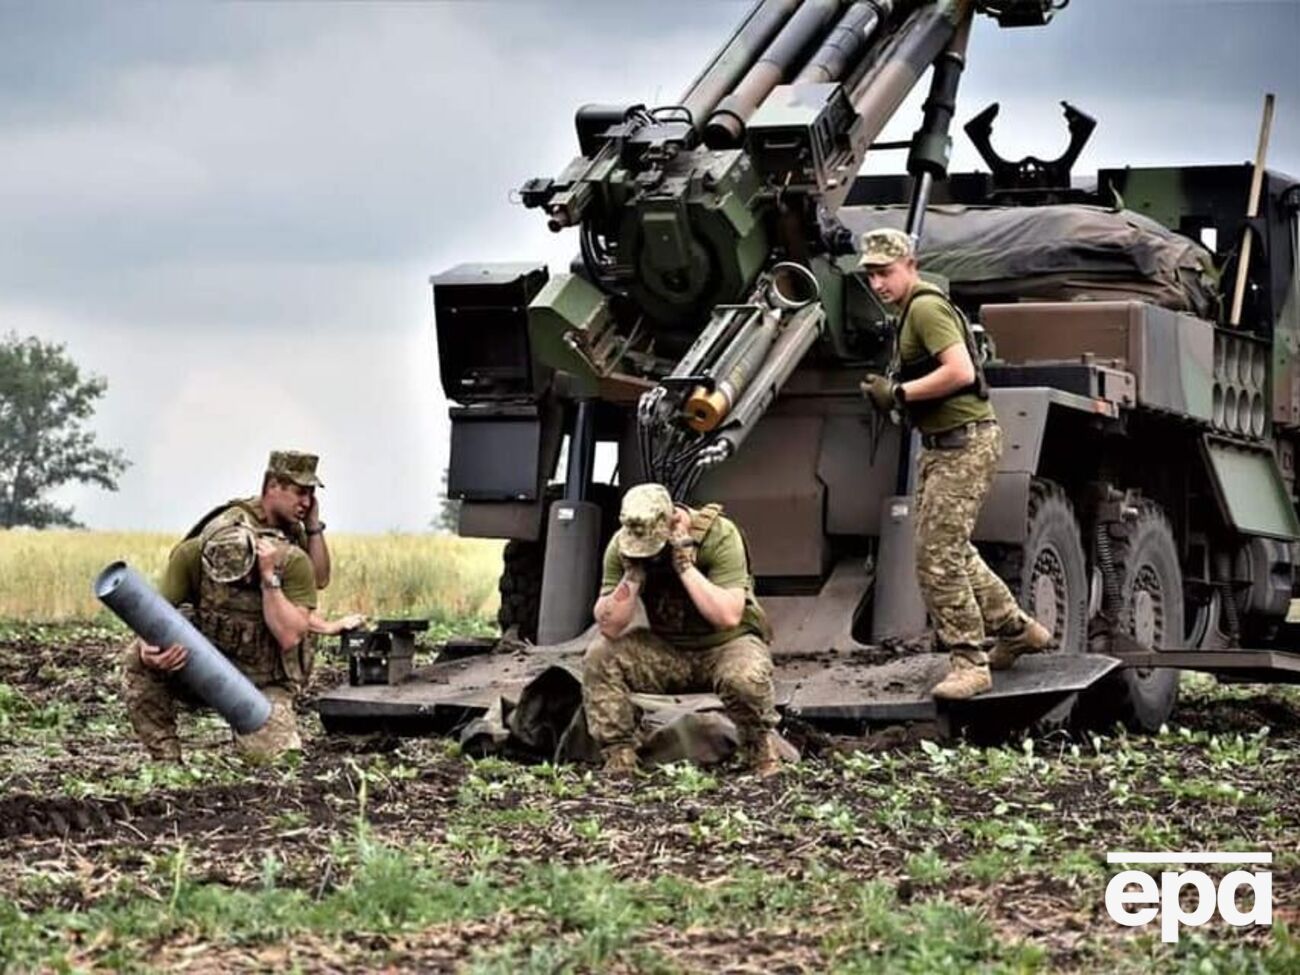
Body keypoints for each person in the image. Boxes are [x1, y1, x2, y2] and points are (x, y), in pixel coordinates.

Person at [857, 228, 1052, 700]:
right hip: (944, 446)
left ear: (911, 265)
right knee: (952, 549)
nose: (878, 284)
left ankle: (969, 662)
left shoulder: (925, 308)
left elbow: (960, 371)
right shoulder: (909, 313)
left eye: (886, 273)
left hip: (964, 445)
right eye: (871, 276)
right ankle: (1016, 629)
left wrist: (900, 393)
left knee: (937, 559)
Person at [121, 450, 345, 762]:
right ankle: (166, 762)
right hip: (206, 668)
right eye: (299, 491)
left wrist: (270, 577)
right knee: (137, 658)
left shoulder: (291, 554)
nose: (306, 502)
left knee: (276, 764)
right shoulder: (196, 551)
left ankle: (251, 738)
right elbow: (158, 612)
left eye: (310, 493)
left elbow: (292, 632)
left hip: (263, 683)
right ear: (272, 486)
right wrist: (149, 647)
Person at [582, 483, 782, 776]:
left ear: (674, 521)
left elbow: (728, 616)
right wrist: (632, 576)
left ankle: (760, 751)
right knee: (601, 656)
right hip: (668, 651)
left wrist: (686, 567)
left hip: (726, 645)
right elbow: (609, 625)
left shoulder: (720, 535)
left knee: (745, 676)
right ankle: (619, 757)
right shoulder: (624, 544)